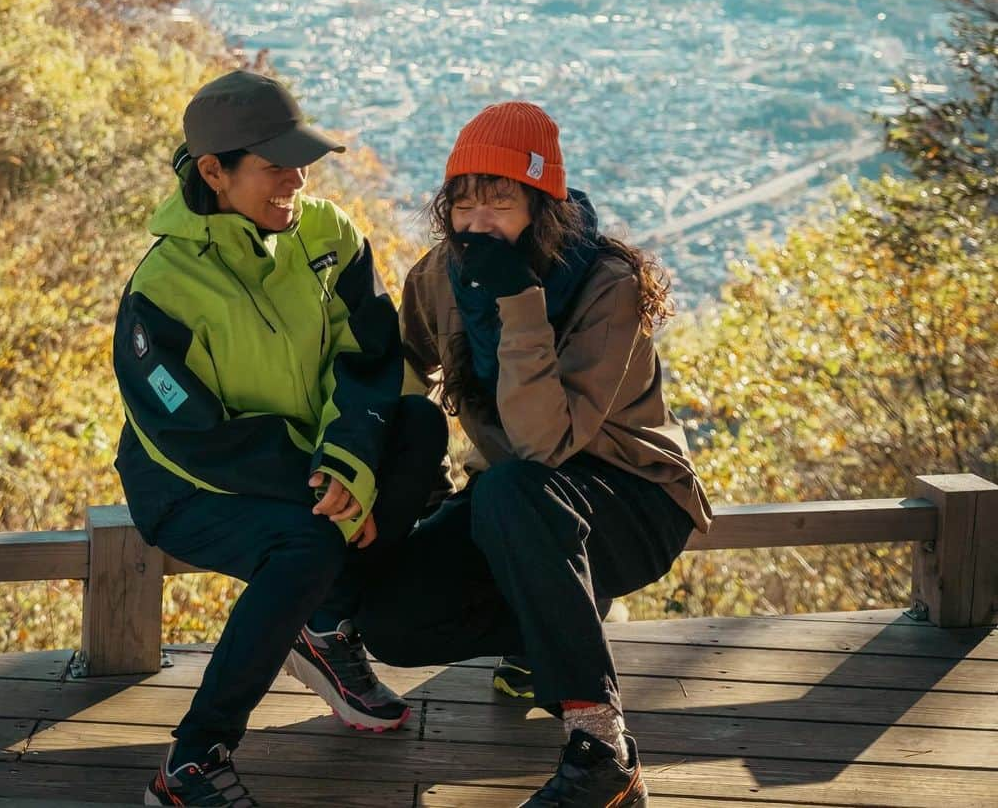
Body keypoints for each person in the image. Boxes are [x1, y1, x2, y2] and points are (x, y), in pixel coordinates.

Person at [356, 101, 713, 808]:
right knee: (391, 617)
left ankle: (601, 747)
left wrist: (518, 301)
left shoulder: (606, 284)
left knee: (511, 486)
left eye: (502, 198)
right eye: (464, 200)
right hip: (521, 509)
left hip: (634, 500)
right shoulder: (440, 277)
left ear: (542, 205)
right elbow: (404, 373)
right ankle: (549, 626)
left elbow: (544, 442)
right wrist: (399, 481)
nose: (479, 219)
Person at [112, 70, 448, 808]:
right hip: (189, 486)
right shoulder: (160, 290)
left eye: (301, 160)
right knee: (309, 541)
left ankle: (322, 628)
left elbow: (367, 357)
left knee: (421, 428)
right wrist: (323, 481)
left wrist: (348, 464)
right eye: (275, 165)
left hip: (316, 458)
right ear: (213, 171)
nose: (297, 179)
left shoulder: (327, 234)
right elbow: (186, 433)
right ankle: (190, 763)